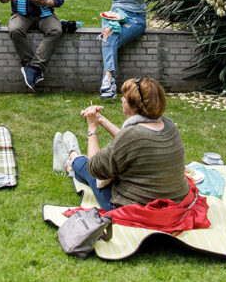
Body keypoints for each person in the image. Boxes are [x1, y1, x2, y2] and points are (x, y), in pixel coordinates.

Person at [52, 76, 190, 211]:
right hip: (176, 202)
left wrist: (92, 127)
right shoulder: (168, 125)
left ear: (134, 105)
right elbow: (132, 145)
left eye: (125, 97)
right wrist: (100, 119)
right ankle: (71, 163)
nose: (122, 99)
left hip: (132, 208)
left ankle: (71, 159)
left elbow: (94, 168)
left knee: (87, 168)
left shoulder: (132, 136)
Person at [94, 0, 151, 99]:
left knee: (108, 37)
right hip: (115, 15)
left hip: (135, 18)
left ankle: (109, 83)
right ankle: (109, 80)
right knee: (108, 33)